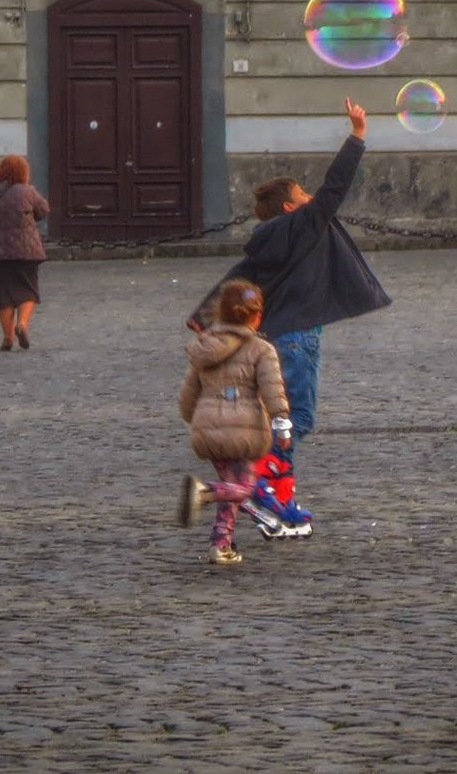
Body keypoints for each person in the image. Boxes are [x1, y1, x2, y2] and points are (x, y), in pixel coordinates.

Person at [189, 99, 390, 535]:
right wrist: (357, 135)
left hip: (275, 337)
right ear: (290, 208)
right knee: (297, 419)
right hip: (298, 339)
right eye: (304, 195)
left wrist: (203, 316)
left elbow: (241, 278)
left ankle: (280, 496)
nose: (313, 199)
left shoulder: (268, 240)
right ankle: (259, 483)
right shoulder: (303, 226)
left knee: (279, 420)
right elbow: (335, 188)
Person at [177, 280, 290, 565]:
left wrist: (195, 419)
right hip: (244, 430)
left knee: (232, 486)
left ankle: (221, 544)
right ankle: (204, 492)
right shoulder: (261, 350)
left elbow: (188, 393)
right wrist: (281, 424)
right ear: (258, 316)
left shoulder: (205, 346)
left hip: (209, 429)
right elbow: (272, 390)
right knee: (245, 488)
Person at [0, 155, 51, 352]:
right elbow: (43, 210)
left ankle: (7, 337)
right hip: (25, 251)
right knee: (28, 290)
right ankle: (22, 324)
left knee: (1, 294)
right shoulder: (28, 192)